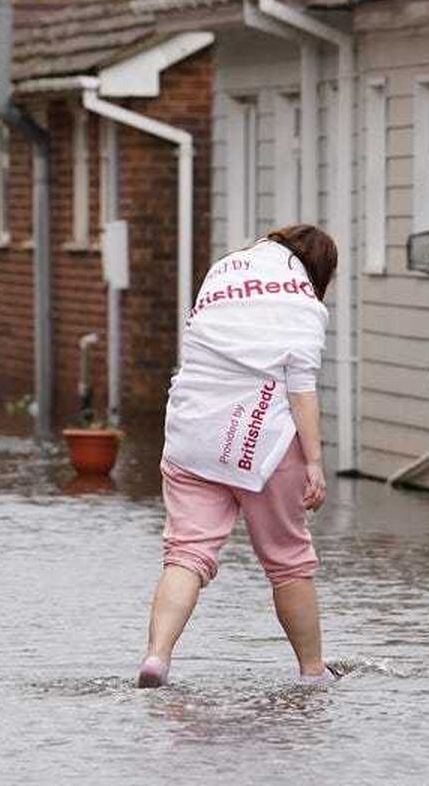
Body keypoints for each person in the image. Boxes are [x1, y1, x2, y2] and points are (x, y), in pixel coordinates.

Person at [137, 224, 340, 688]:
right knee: (289, 561)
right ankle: (312, 671)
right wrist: (314, 463)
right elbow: (301, 388)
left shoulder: (222, 274)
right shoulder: (302, 303)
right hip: (262, 443)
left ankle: (156, 657)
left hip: (193, 434)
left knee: (186, 553)